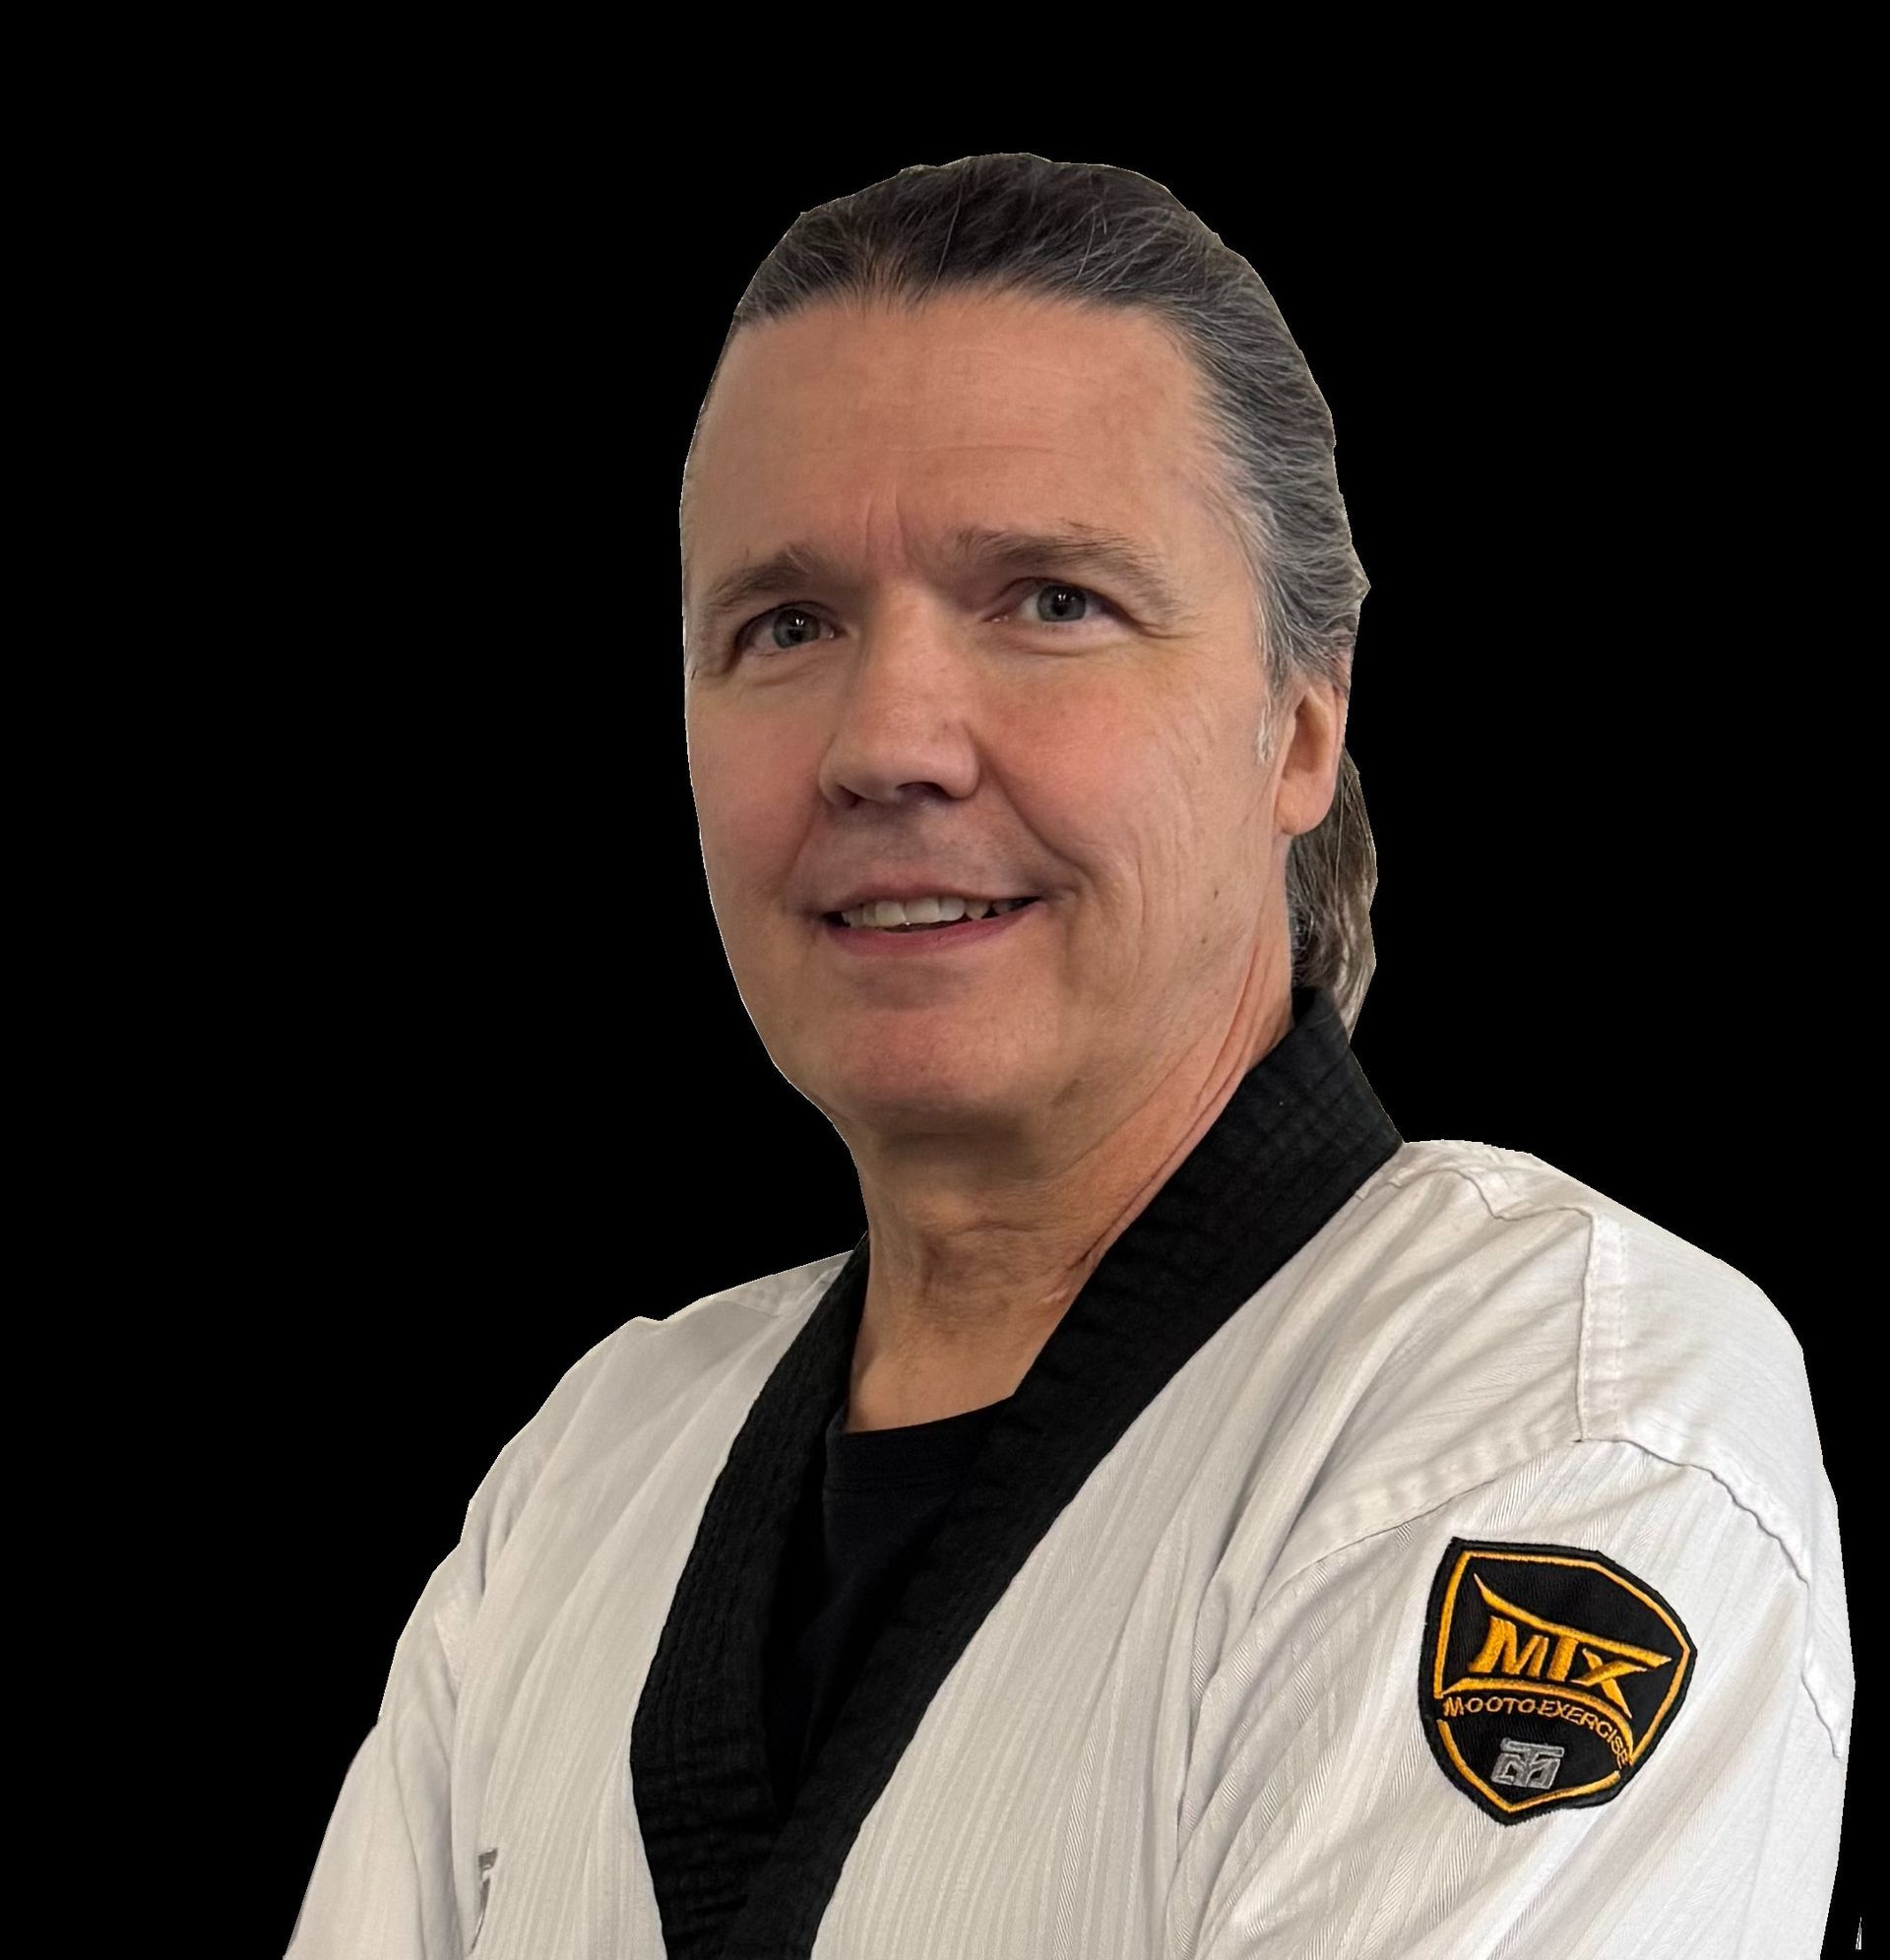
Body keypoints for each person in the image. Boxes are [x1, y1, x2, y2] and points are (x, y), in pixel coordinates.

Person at [287, 154, 1852, 1958]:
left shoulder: (1558, 1426)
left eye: (1048, 602)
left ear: (1300, 726)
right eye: (785, 625)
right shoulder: (589, 1479)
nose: (887, 741)